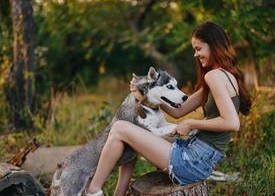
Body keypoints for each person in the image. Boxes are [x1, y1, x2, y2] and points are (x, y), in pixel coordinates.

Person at [85, 21, 252, 196]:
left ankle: (93, 191)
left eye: (198, 48)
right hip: (196, 156)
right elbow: (178, 110)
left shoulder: (214, 76)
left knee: (119, 128)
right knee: (129, 137)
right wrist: (145, 92)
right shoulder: (226, 75)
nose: (196, 55)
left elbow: (232, 123)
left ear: (214, 45)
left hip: (192, 162)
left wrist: (191, 124)